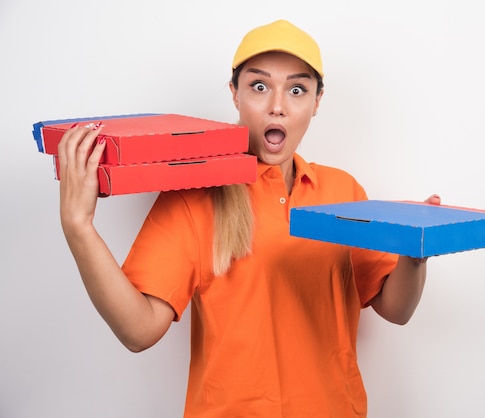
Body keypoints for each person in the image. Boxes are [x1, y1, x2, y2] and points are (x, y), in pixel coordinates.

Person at [57, 19, 441, 417]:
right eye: (259, 86)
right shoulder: (196, 197)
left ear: (317, 101)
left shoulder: (344, 191)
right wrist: (79, 228)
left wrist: (414, 254)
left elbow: (395, 309)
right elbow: (138, 331)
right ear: (235, 94)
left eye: (297, 89)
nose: (278, 105)